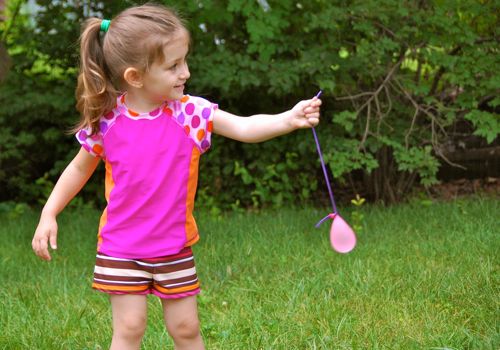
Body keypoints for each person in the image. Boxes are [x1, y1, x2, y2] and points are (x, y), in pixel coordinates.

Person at [31, 4, 321, 350]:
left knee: (185, 328)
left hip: (174, 247)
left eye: (184, 60)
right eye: (172, 66)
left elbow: (243, 126)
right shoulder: (107, 122)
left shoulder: (191, 113)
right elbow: (79, 167)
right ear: (135, 77)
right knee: (129, 329)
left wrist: (288, 119)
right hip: (121, 247)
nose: (185, 72)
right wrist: (49, 213)